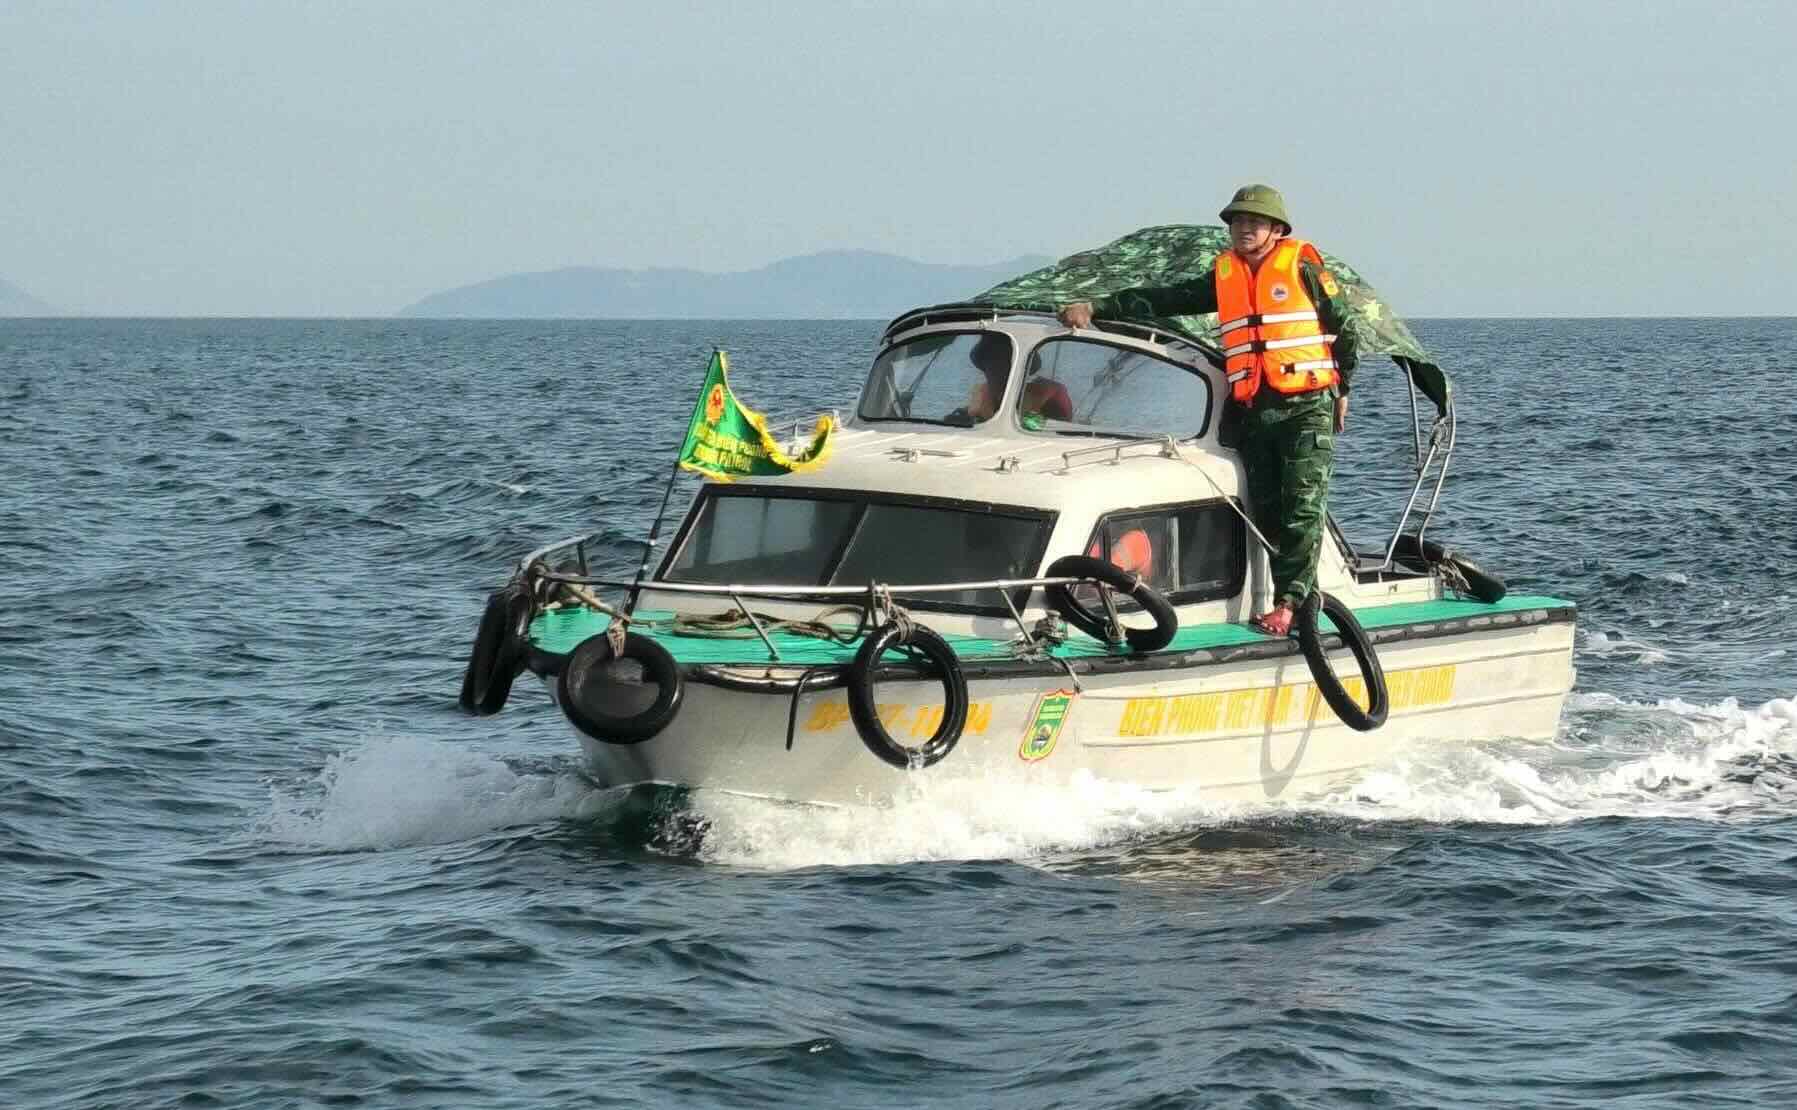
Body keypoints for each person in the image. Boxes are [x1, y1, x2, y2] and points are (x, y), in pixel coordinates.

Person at [1055, 184, 1358, 637]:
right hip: (1256, 408)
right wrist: (1098, 307)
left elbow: (1347, 328)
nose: (1244, 229)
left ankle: (1292, 605)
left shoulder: (1304, 268)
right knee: (1268, 509)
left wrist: (1342, 389)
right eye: (1237, 221)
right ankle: (1283, 594)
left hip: (1305, 408)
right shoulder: (1223, 276)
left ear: (1276, 229)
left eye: (1254, 222)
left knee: (1301, 506)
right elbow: (1167, 299)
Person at [966, 333, 1074, 423]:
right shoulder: (980, 395)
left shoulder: (1053, 394)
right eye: (993, 363)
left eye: (1008, 362)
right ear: (985, 368)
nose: (1001, 371)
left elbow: (1065, 434)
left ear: (1025, 368)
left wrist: (1034, 422)